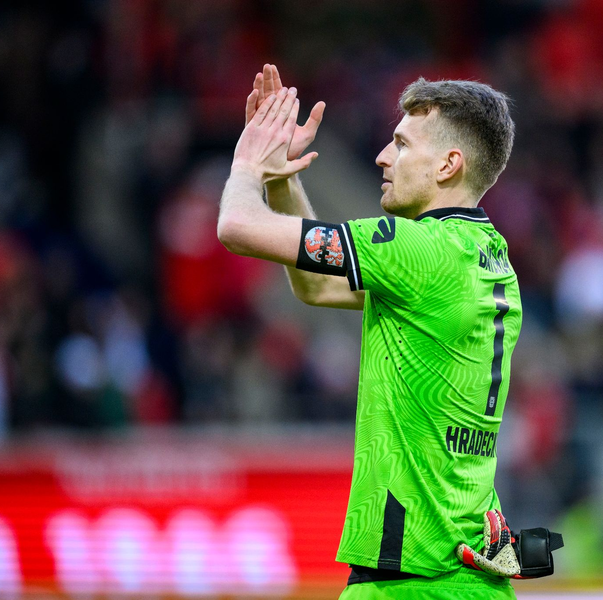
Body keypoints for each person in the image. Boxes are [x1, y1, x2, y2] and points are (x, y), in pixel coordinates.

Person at [218, 64, 521, 598]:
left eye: (401, 145)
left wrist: (250, 163)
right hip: (474, 579)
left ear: (448, 164)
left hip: (409, 577)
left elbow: (237, 226)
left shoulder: (414, 248)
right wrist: (285, 178)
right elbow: (317, 286)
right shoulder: (488, 257)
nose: (383, 156)